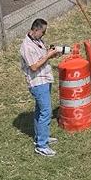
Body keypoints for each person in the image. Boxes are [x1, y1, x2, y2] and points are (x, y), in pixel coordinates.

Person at [20, 18, 61, 157]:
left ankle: (41, 136)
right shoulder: (27, 47)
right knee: (46, 112)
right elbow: (34, 66)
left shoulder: (37, 41)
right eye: (43, 32)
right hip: (37, 82)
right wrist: (48, 55)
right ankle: (41, 146)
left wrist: (52, 54)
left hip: (45, 79)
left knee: (39, 111)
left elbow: (42, 58)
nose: (44, 34)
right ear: (35, 30)